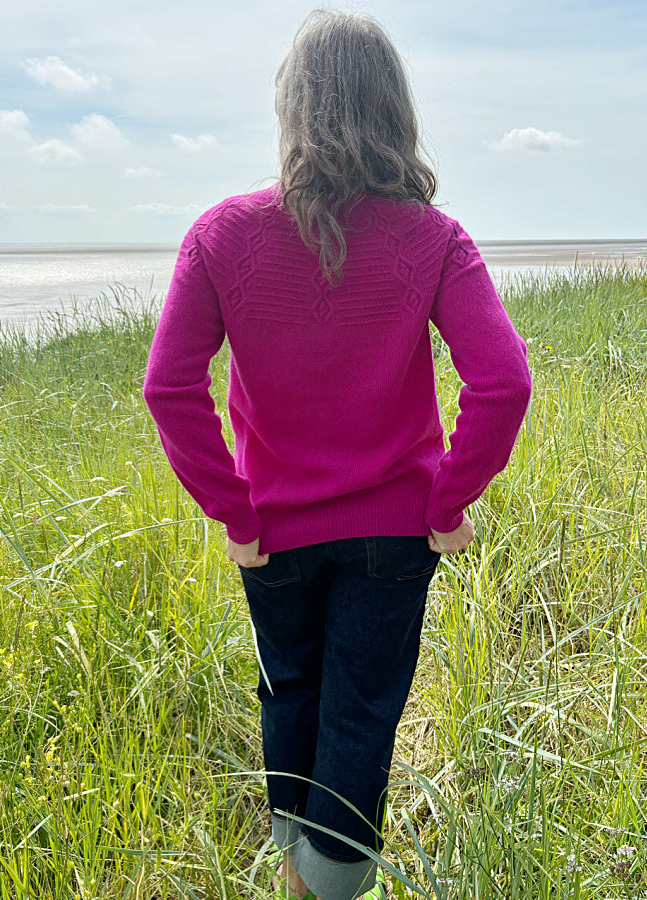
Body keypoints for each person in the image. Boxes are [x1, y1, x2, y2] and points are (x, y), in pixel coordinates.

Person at [142, 10, 532, 900]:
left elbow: (169, 387)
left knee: (291, 694)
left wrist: (234, 514)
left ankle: (300, 871)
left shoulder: (220, 234)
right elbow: (503, 385)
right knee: (357, 718)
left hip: (274, 535)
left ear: (292, 104)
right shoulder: (436, 239)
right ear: (393, 108)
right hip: (393, 537)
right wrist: (445, 505)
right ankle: (321, 884)